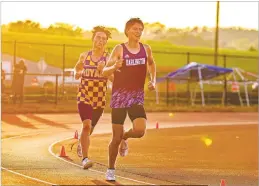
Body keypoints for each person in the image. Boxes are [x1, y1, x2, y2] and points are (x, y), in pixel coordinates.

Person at [102, 18, 156, 181]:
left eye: (140, 29)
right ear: (127, 31)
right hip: (119, 97)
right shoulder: (119, 49)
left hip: (136, 97)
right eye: (135, 29)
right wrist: (114, 66)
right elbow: (104, 71)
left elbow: (152, 64)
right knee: (115, 138)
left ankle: (125, 137)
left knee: (140, 131)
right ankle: (111, 169)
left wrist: (153, 81)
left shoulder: (146, 49)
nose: (138, 32)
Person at [74, 26, 113, 169]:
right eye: (98, 37)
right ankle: (85, 159)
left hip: (99, 100)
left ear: (106, 42)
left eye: (104, 39)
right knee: (86, 125)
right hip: (84, 96)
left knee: (89, 130)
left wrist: (103, 71)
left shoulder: (109, 59)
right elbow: (77, 68)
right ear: (93, 39)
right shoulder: (84, 56)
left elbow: (115, 80)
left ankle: (81, 142)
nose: (101, 41)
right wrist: (77, 73)